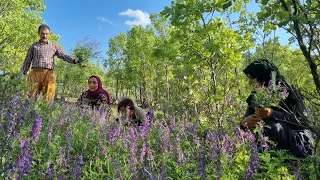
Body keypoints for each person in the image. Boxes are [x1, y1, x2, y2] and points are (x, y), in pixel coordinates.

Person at [241, 58, 314, 158]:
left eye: (252, 78)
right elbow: (247, 119)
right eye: (248, 78)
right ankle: (263, 166)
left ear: (263, 77)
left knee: (274, 127)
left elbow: (303, 123)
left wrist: (272, 114)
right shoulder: (256, 96)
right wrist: (244, 123)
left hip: (298, 144)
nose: (249, 82)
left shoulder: (290, 93)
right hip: (268, 145)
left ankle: (286, 164)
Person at [20, 24, 80, 103]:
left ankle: (45, 113)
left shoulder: (54, 46)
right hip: (35, 73)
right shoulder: (33, 46)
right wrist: (22, 72)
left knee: (48, 96)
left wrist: (74, 61)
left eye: (46, 34)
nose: (44, 35)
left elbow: (63, 55)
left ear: (49, 34)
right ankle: (28, 113)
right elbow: (27, 60)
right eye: (42, 33)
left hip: (49, 73)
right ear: (39, 33)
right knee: (30, 95)